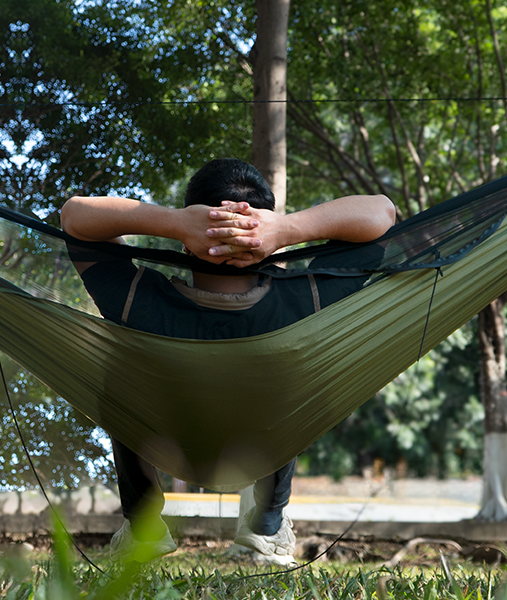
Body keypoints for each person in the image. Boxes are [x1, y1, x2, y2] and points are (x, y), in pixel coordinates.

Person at [60, 158, 396, 564]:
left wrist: (177, 222)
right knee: (300, 372)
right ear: (271, 242)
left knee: (119, 364)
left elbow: (74, 215)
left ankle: (144, 525)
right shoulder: (307, 301)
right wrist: (285, 229)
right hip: (263, 443)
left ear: (187, 243)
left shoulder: (137, 303)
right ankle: (265, 526)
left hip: (168, 439)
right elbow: (383, 212)